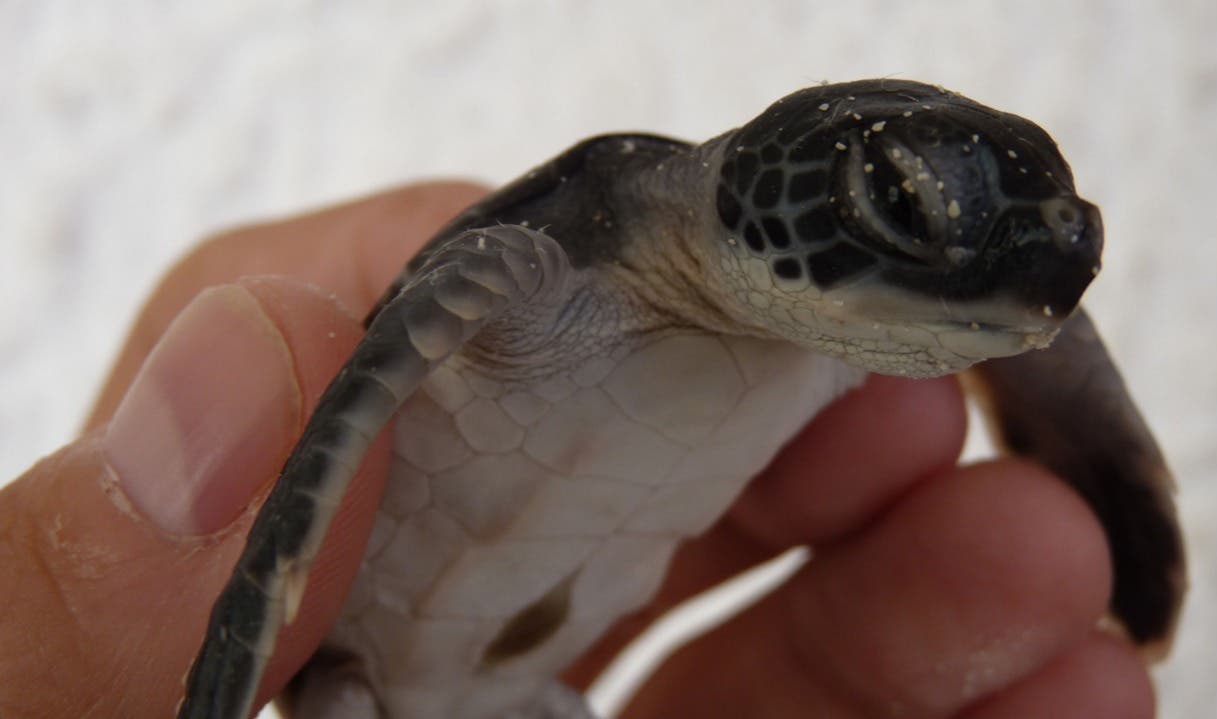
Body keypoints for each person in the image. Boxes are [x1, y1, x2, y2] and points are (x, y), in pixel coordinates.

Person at [0, 182, 1155, 718]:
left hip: (522, 694)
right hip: (340, 678)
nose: (965, 295)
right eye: (898, 209)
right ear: (768, 185)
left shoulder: (850, 338)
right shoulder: (547, 264)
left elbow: (1003, 290)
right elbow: (321, 453)